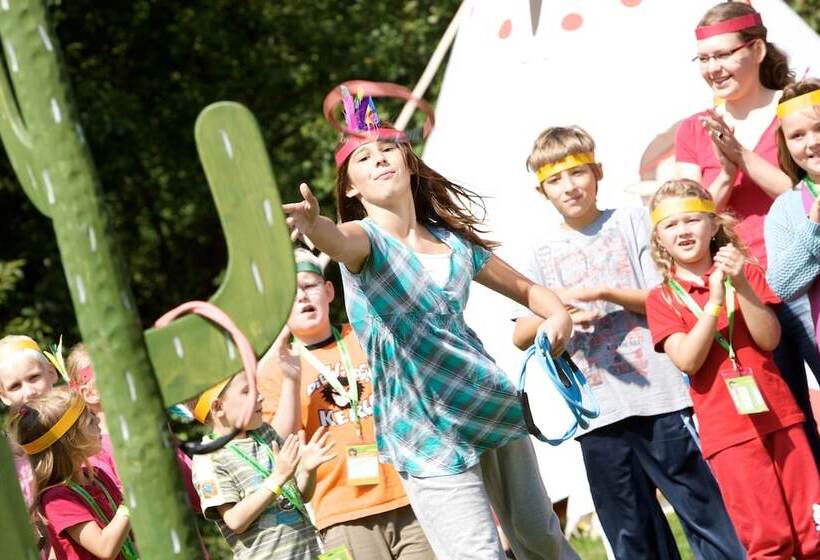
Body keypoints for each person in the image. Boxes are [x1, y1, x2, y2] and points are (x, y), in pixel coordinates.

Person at [283, 90, 578, 560]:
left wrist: (557, 312)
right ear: (352, 186)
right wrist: (316, 225)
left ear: (409, 162)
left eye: (387, 149)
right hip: (422, 424)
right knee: (477, 554)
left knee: (540, 538)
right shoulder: (363, 241)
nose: (378, 159)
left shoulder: (453, 243)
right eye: (363, 156)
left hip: (487, 401)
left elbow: (528, 290)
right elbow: (335, 239)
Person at [512, 126, 744, 559]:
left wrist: (606, 294)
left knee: (705, 514)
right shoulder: (536, 252)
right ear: (542, 190)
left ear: (597, 173)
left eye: (577, 173)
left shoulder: (632, 222)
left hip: (662, 399)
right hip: (596, 414)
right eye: (556, 180)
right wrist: (557, 313)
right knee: (631, 535)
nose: (569, 187)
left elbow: (664, 295)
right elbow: (520, 332)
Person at [675, 0, 820, 464]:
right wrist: (720, 176)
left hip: (807, 279)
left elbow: (805, 194)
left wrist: (742, 158)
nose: (713, 68)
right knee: (788, 420)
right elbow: (687, 217)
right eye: (704, 58)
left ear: (756, 49)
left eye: (724, 55)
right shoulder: (693, 130)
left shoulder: (794, 109)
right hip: (747, 294)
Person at [645, 179, 820, 557]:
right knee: (766, 540)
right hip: (729, 436)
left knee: (814, 531)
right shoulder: (661, 298)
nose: (683, 231)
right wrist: (713, 304)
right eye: (671, 225)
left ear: (713, 226)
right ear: (659, 238)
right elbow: (688, 359)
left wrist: (740, 285)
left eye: (692, 220)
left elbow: (769, 339)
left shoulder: (747, 273)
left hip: (779, 416)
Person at [258, 248, 434, 559]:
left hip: (408, 493)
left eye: (310, 286)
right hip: (339, 512)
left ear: (328, 292)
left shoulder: (365, 335)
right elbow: (278, 442)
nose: (301, 297)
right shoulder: (276, 367)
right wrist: (289, 380)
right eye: (289, 292)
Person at [190, 365, 334, 559]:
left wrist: (308, 470)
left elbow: (300, 496)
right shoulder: (209, 458)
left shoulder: (265, 433)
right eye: (247, 391)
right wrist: (277, 478)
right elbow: (235, 521)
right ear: (218, 407)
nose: (260, 396)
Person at [11, 386, 137, 560]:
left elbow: (128, 536)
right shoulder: (57, 499)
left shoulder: (97, 476)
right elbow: (105, 548)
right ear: (70, 439)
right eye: (89, 420)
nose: (97, 420)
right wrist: (132, 497)